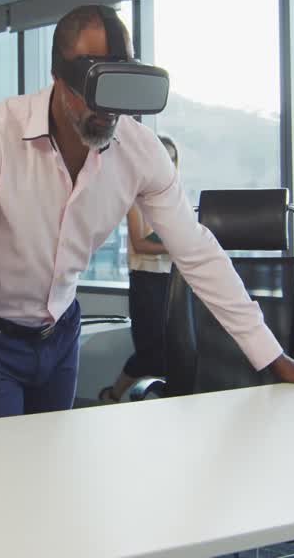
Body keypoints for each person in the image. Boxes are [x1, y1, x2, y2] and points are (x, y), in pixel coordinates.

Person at [0, 4, 294, 452]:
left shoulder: (140, 153)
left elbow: (195, 252)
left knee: (51, 471)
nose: (104, 110)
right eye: (91, 89)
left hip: (59, 334)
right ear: (58, 80)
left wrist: (274, 357)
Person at [100, 135, 179, 403]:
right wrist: (176, 244)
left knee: (170, 349)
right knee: (149, 352)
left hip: (171, 280)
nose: (167, 163)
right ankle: (113, 394)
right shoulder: (135, 197)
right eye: (162, 157)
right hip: (146, 281)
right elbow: (140, 244)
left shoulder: (173, 198)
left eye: (172, 158)